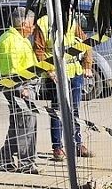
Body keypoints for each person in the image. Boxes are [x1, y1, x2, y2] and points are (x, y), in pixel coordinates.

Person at [36, 11, 93, 161]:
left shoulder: (71, 21)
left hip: (75, 72)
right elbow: (38, 50)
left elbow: (86, 43)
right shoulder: (42, 23)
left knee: (74, 110)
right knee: (57, 111)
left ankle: (77, 144)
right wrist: (49, 70)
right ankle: (57, 147)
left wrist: (87, 65)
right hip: (56, 75)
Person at [0, 8, 42, 173]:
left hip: (26, 86)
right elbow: (12, 70)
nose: (34, 27)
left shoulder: (22, 39)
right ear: (23, 24)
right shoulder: (10, 40)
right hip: (19, 88)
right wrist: (21, 88)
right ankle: (26, 164)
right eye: (32, 24)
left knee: (18, 125)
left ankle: (5, 160)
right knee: (26, 125)